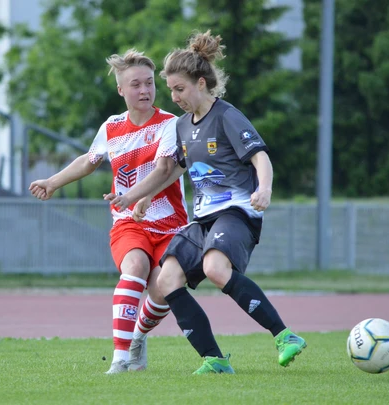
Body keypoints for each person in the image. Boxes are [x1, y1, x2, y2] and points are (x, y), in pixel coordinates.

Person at [104, 31, 306, 375]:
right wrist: (147, 195)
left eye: (179, 89)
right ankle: (214, 359)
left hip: (237, 213)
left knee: (215, 268)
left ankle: (285, 336)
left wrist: (266, 189)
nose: (173, 97)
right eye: (170, 90)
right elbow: (175, 170)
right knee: (167, 281)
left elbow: (260, 157)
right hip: (203, 219)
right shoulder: (182, 126)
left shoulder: (227, 116)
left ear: (201, 84)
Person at [29, 49, 188, 374]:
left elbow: (164, 169)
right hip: (128, 222)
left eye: (148, 83)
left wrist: (130, 195)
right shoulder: (112, 127)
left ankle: (138, 337)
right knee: (135, 265)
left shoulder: (169, 124)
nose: (144, 90)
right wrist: (53, 181)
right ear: (121, 90)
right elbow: (89, 161)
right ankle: (119, 360)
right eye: (135, 85)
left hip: (170, 225)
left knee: (163, 288)